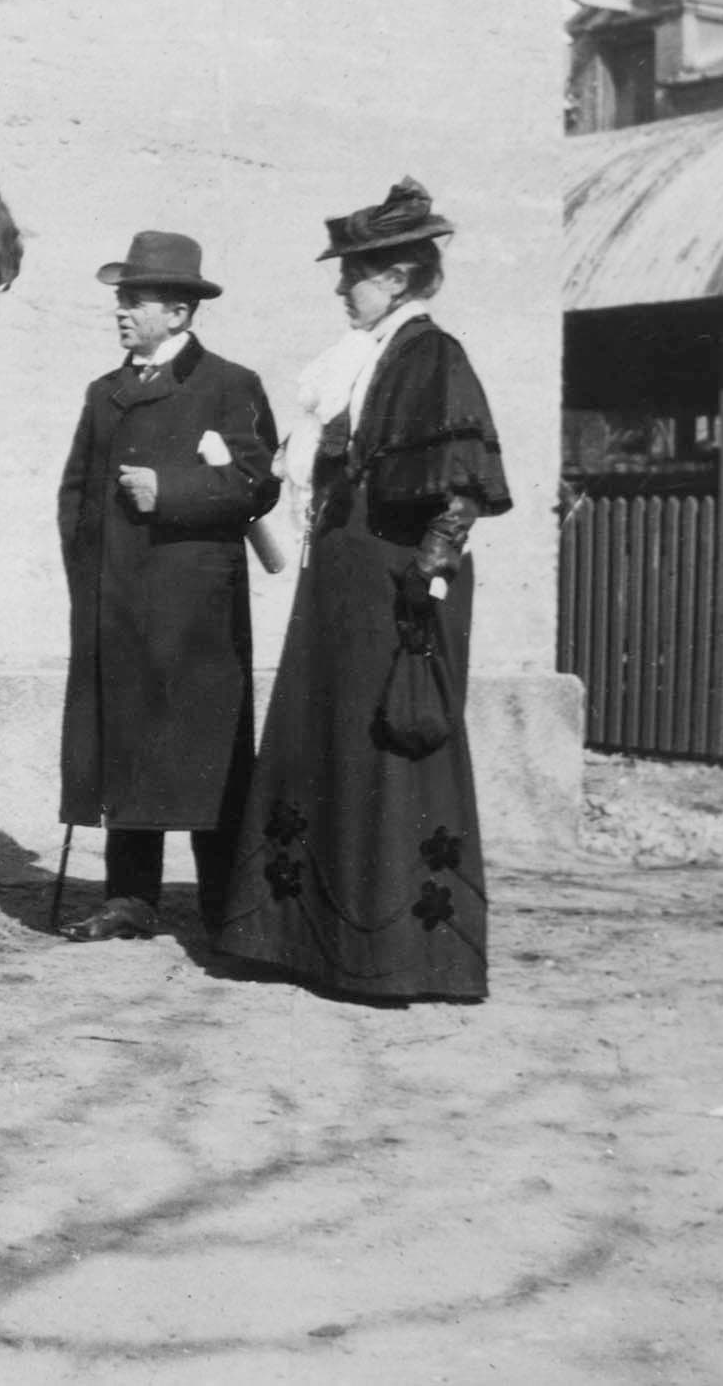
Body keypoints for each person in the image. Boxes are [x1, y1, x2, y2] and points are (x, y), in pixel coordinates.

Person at [215, 178, 512, 1001]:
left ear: (400, 278)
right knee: (329, 745)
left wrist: (431, 569)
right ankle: (307, 939)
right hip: (342, 585)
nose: (341, 288)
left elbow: (462, 484)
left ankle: (390, 953)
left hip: (395, 585)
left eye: (354, 274)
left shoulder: (432, 356)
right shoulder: (360, 358)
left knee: (387, 749)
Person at [57, 232, 280, 941]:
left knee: (208, 750)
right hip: (119, 601)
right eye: (121, 299)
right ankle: (130, 898)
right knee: (128, 741)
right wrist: (89, 583)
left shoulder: (229, 385)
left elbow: (258, 483)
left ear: (180, 313)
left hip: (196, 612)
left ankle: (225, 899)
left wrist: (171, 491)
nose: (120, 311)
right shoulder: (104, 393)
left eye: (136, 300)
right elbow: (75, 496)